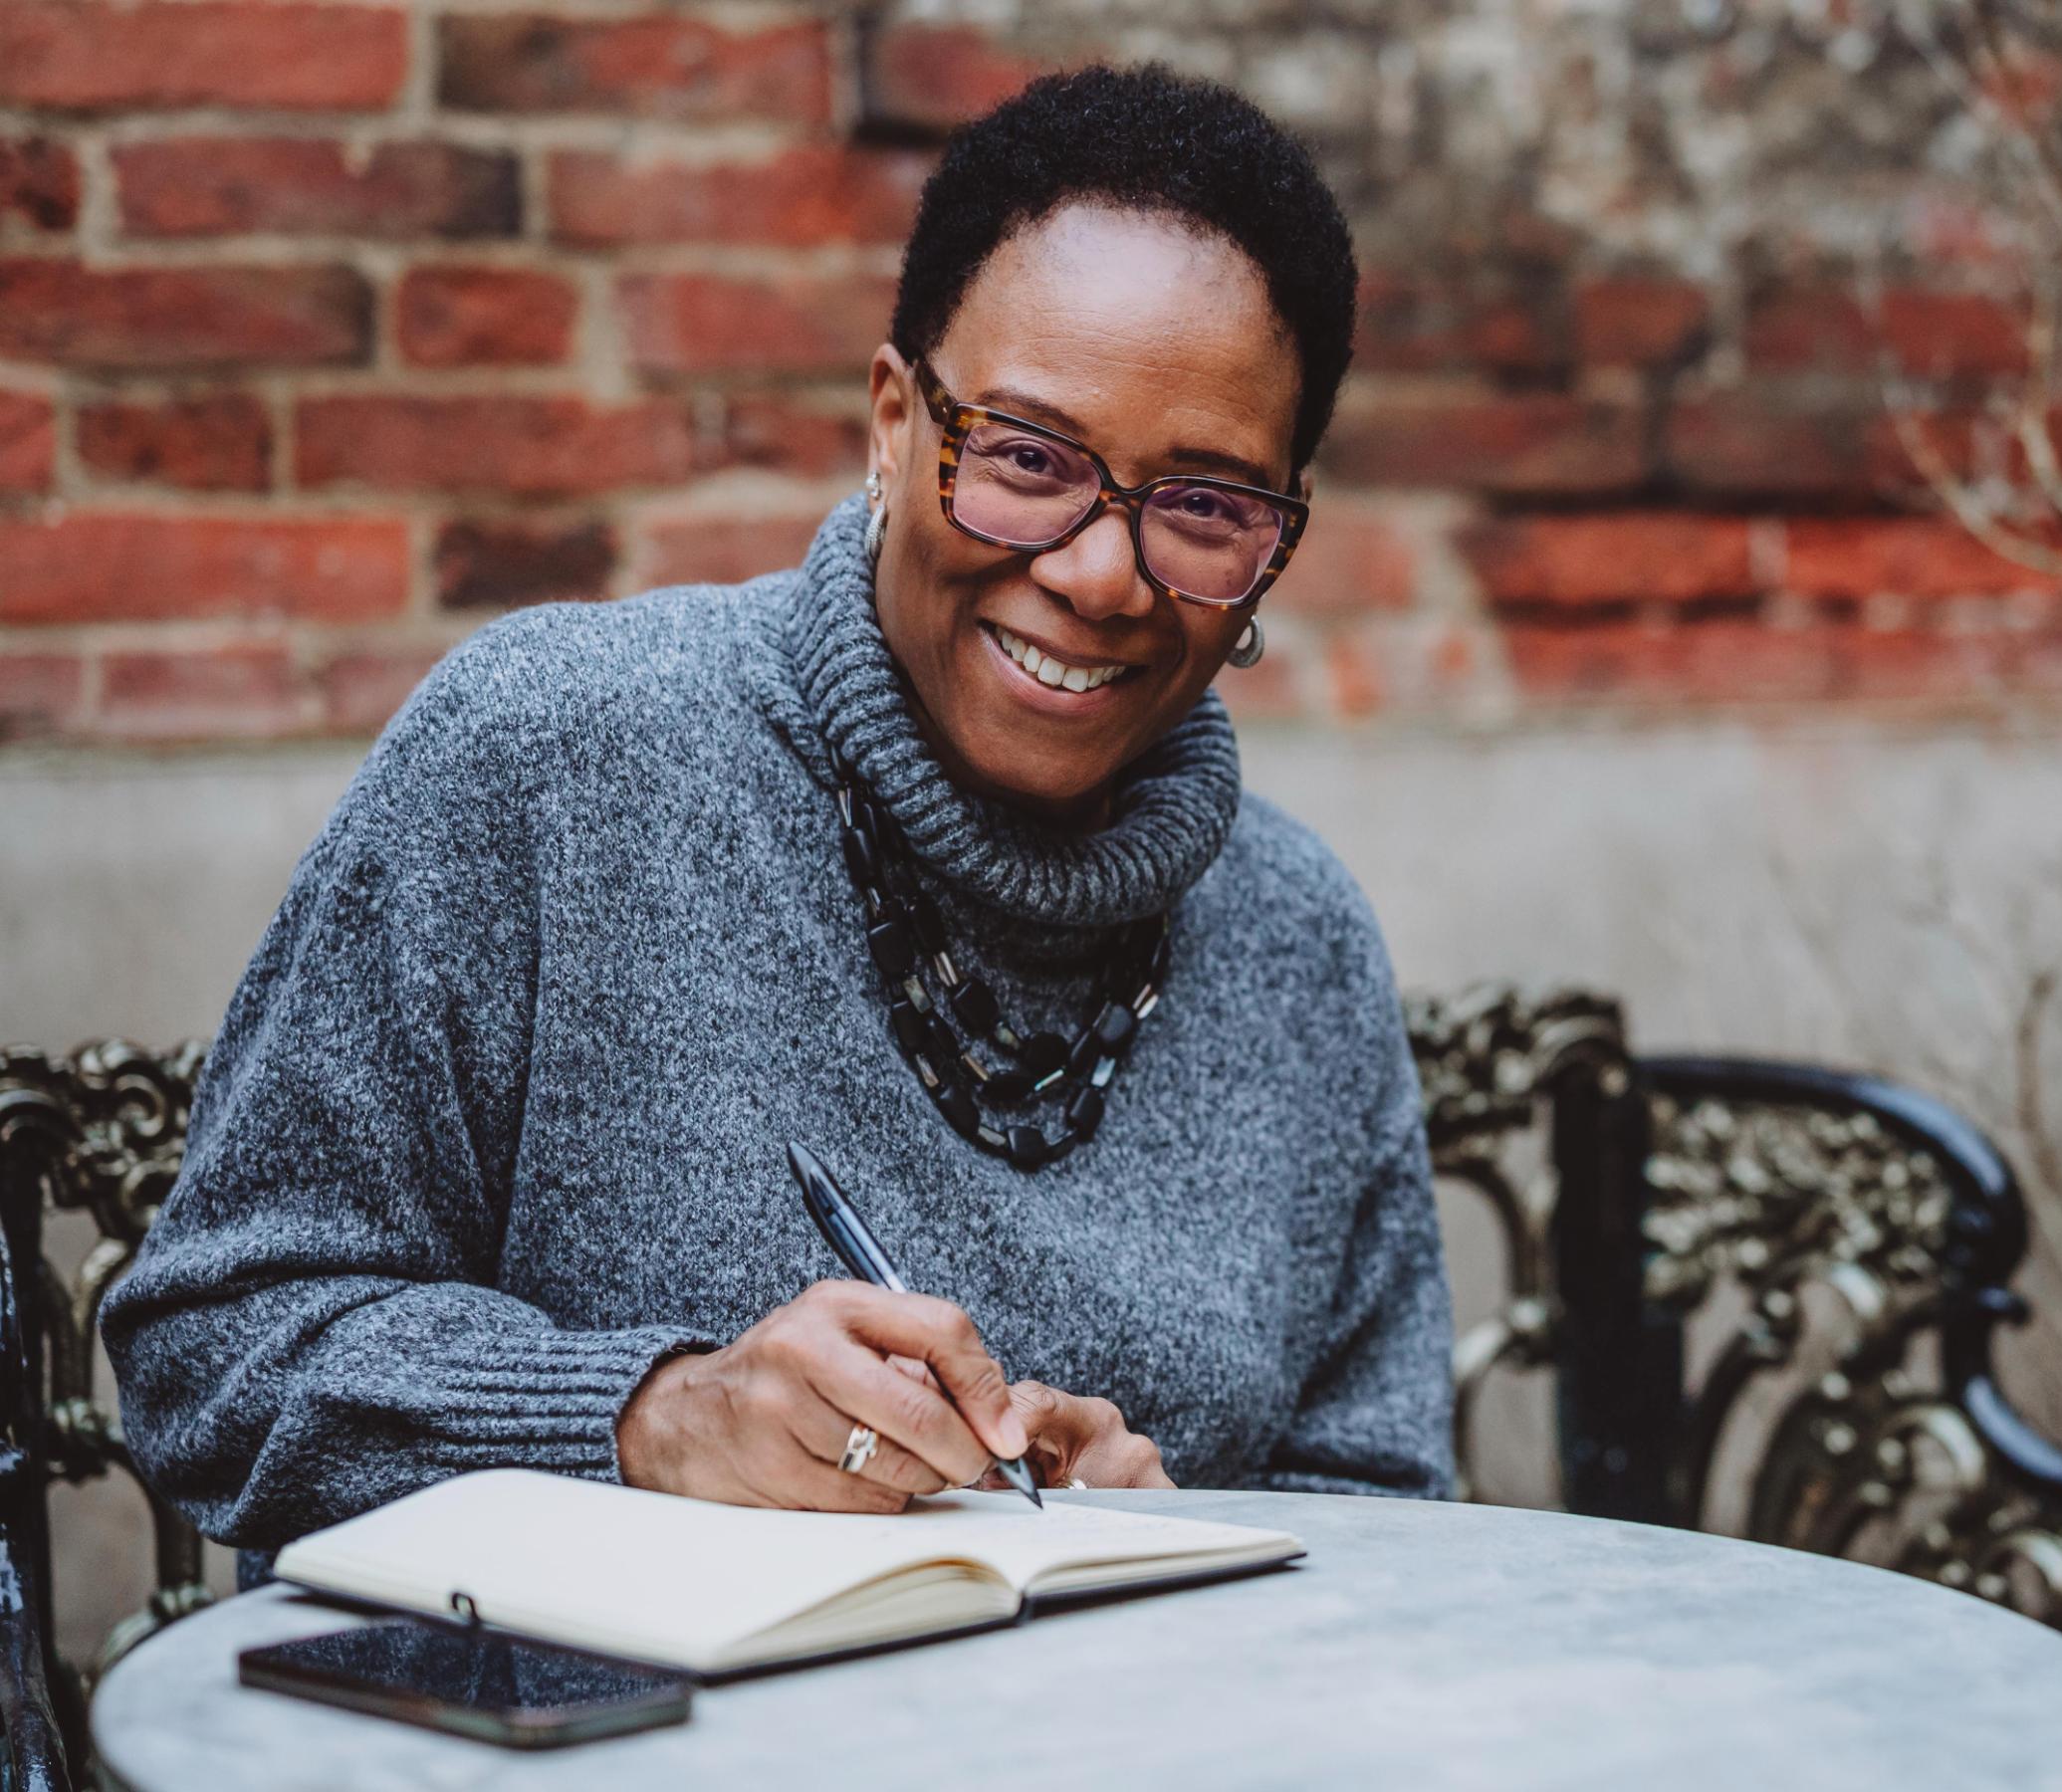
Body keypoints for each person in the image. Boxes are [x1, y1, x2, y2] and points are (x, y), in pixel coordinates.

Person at [102, 64, 1456, 1558]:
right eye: (1026, 458)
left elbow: (1391, 1523)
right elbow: (209, 1357)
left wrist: (1180, 1540)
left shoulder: (1298, 941)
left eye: (1204, 505)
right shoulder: (555, 759)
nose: (1096, 575)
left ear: (1275, 543)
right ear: (891, 426)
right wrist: (656, 1416)